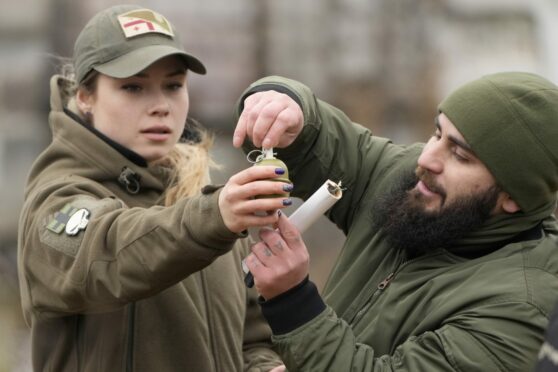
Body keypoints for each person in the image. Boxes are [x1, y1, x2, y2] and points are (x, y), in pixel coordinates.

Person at [17, 5, 289, 371]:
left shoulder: (204, 200)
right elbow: (109, 253)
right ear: (85, 96)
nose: (161, 106)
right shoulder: (59, 197)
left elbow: (251, 338)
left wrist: (264, 367)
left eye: (173, 85)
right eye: (133, 86)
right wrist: (216, 216)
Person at [232, 72, 558, 371]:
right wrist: (285, 107)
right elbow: (327, 148)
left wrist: (294, 302)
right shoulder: (417, 183)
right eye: (437, 133)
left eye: (460, 156)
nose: (427, 158)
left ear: (513, 196)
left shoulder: (522, 310)